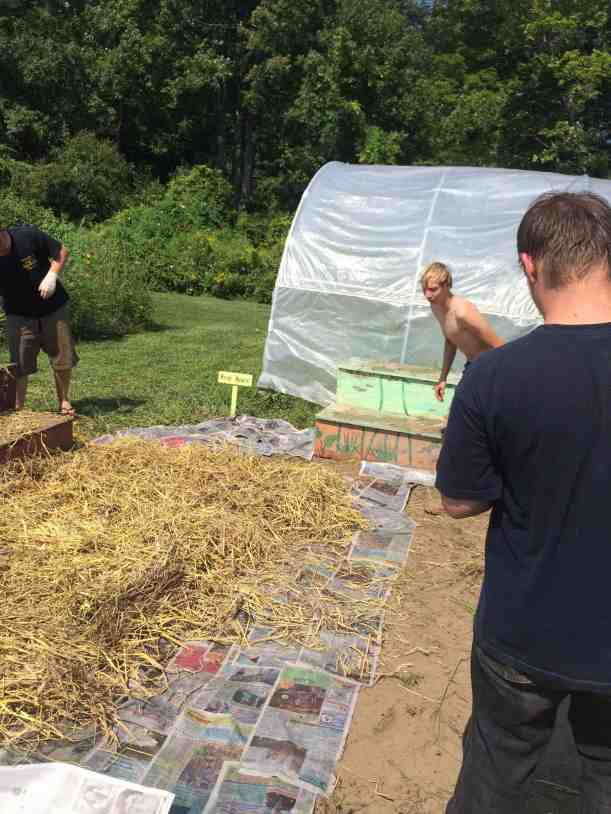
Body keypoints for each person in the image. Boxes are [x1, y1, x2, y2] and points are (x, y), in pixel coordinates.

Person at [435, 191, 611, 812]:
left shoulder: (496, 376)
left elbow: (459, 502)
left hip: (523, 633)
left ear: (529, 266)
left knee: (494, 775)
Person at [0, 224, 77, 415]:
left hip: (53, 307)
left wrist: (52, 275)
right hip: (18, 314)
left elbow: (61, 251)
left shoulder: (27, 236)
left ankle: (64, 401)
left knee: (62, 355)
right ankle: (18, 409)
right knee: (19, 363)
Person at [421, 262, 503, 401]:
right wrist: (443, 378)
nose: (427, 295)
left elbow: (499, 345)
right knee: (462, 405)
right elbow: (450, 341)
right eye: (424, 289)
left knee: (464, 405)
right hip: (472, 366)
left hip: (492, 369)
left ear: (447, 286)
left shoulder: (463, 311)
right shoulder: (436, 308)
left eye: (433, 289)